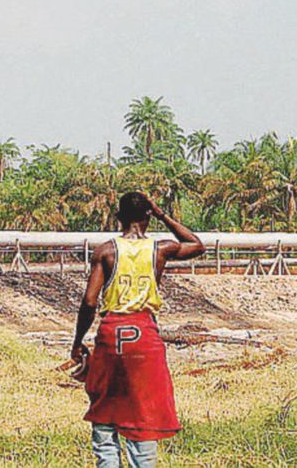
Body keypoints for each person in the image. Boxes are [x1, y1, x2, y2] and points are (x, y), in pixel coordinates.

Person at [70, 192, 204, 468]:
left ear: (118, 218)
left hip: (111, 332)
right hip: (144, 334)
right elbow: (196, 244)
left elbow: (90, 301)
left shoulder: (105, 251)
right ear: (148, 217)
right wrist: (163, 214)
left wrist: (78, 340)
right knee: (144, 408)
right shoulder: (160, 249)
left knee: (105, 405)